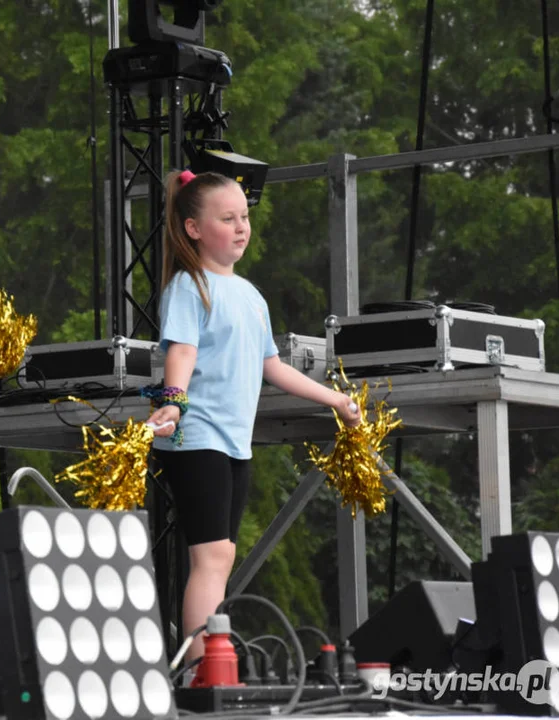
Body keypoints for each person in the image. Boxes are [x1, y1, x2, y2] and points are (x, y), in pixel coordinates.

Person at [146, 170, 361, 666]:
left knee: (221, 557)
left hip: (233, 443)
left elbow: (273, 367)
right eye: (228, 218)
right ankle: (205, 668)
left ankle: (208, 661)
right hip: (195, 437)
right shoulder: (188, 285)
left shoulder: (250, 296)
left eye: (245, 216)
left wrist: (334, 400)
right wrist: (174, 402)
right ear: (194, 229)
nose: (242, 226)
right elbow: (181, 352)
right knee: (212, 556)